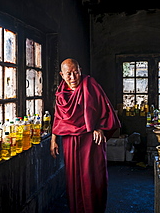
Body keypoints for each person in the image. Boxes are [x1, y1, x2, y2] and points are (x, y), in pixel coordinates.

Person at [50, 58, 121, 213]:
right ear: (62, 75)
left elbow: (105, 108)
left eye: (76, 72)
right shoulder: (61, 93)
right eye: (68, 74)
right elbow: (58, 116)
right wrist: (54, 138)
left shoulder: (91, 85)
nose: (73, 77)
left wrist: (101, 128)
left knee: (93, 177)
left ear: (80, 70)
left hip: (91, 140)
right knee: (73, 177)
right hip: (70, 140)